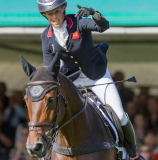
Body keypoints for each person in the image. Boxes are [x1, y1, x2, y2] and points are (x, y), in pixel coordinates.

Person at [37, 0, 145, 159]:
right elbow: (50, 68)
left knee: (120, 115)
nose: (54, 16)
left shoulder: (79, 22)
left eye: (57, 11)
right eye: (49, 14)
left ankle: (133, 154)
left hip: (97, 75)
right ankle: (46, 154)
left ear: (64, 8)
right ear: (45, 16)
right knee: (55, 116)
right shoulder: (46, 37)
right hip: (72, 80)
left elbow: (104, 26)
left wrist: (94, 14)